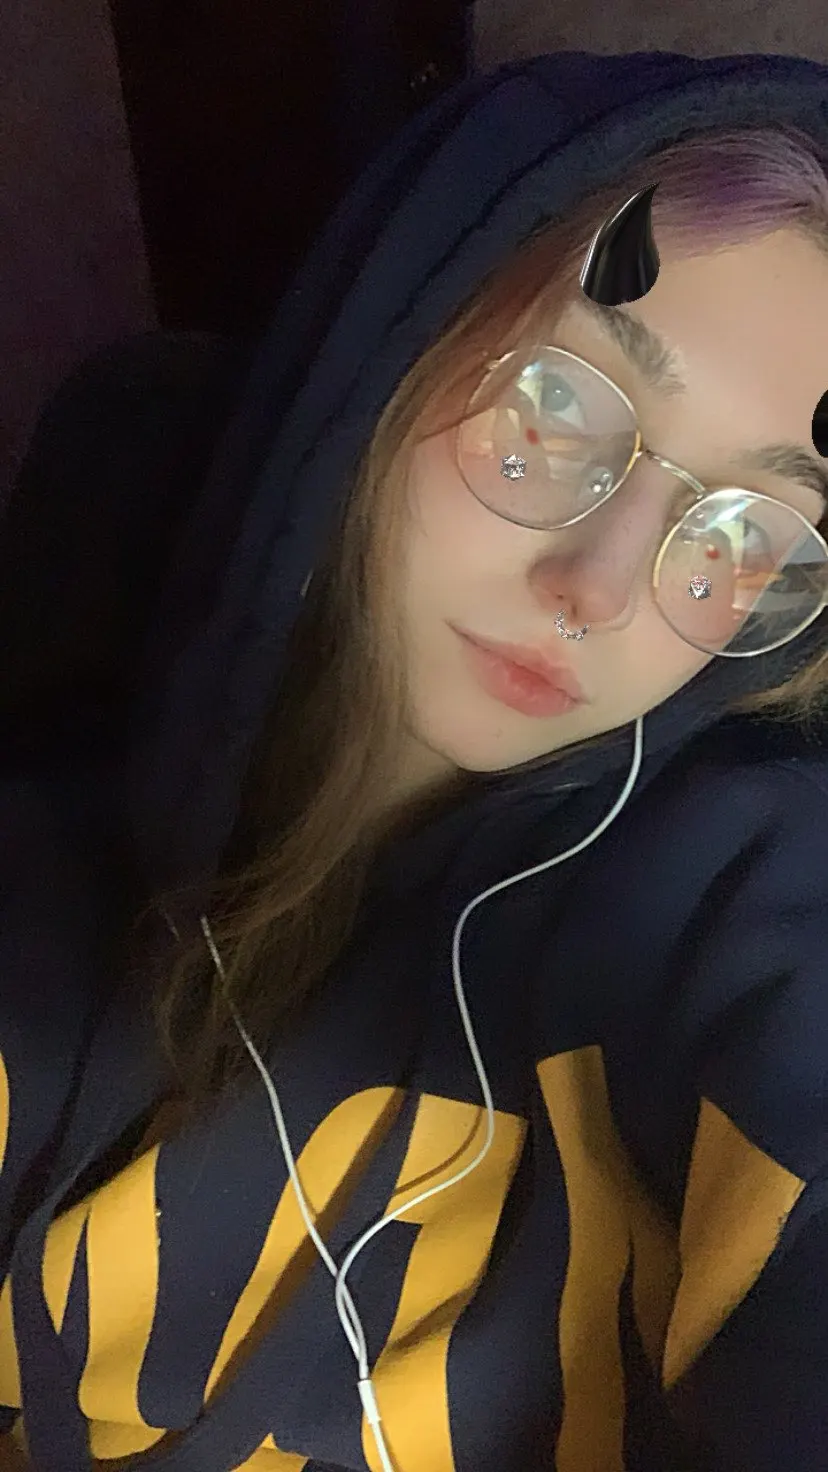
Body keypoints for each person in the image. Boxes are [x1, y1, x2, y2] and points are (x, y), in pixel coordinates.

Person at [2, 44, 828, 1472]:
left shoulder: (733, 911)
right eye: (554, 411)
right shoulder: (42, 900)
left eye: (745, 532)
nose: (600, 588)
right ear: (382, 345)